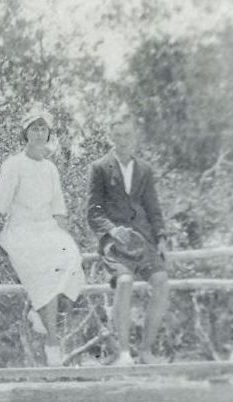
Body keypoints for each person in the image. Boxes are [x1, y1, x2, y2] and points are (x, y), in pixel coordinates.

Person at [0, 108, 86, 366]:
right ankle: (53, 342)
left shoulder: (51, 168)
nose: (39, 133)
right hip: (20, 230)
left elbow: (58, 209)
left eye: (43, 129)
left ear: (48, 133)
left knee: (71, 258)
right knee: (43, 267)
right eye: (34, 128)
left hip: (46, 229)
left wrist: (64, 239)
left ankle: (37, 311)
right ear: (26, 133)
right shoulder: (14, 165)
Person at [87, 114, 170, 365]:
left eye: (128, 135)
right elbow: (93, 212)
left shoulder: (144, 169)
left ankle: (145, 351)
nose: (123, 141)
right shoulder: (99, 168)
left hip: (143, 240)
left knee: (162, 281)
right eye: (118, 135)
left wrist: (162, 239)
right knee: (124, 282)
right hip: (115, 243)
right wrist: (112, 231)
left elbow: (153, 209)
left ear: (135, 137)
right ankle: (123, 353)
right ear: (111, 137)